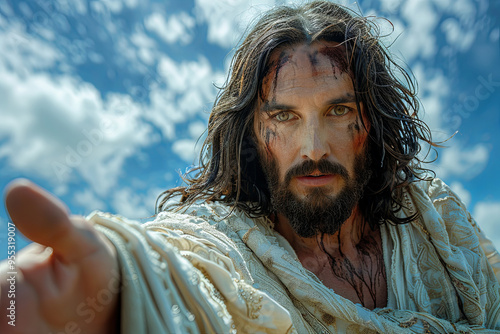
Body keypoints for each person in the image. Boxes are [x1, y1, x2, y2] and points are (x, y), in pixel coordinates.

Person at [1, 1, 500, 333]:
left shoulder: (438, 224)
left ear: (371, 123)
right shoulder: (229, 242)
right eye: (283, 116)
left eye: (338, 111)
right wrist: (105, 285)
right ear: (252, 135)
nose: (313, 148)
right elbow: (177, 266)